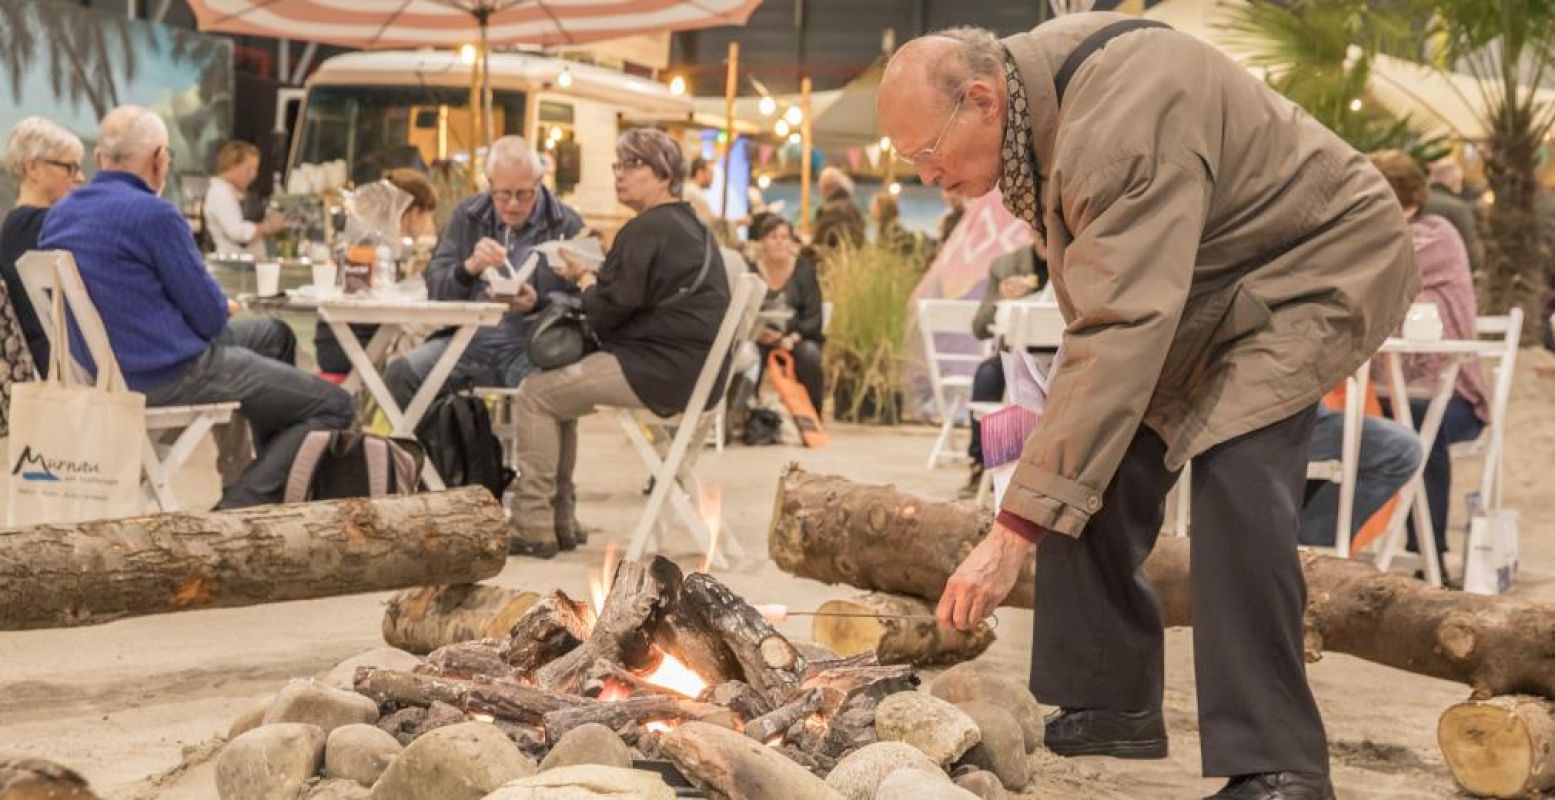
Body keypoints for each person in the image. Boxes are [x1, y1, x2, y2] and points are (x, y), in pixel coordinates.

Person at [878, 18, 1417, 799]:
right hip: (1212, 276)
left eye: (925, 155)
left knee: (1238, 480)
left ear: (983, 101)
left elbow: (1119, 330)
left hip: (1319, 260)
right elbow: (1108, 341)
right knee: (1084, 458)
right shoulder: (1047, 102)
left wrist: (1009, 533)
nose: (927, 177)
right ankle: (1110, 697)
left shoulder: (1117, 127)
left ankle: (1281, 764)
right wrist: (1037, 495)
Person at [39, 105, 353, 509]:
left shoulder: (60, 214)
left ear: (100, 159)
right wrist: (213, 307)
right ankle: (239, 509)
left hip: (103, 371)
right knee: (335, 405)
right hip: (169, 371)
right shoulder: (155, 215)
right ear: (158, 159)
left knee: (276, 335)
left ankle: (254, 468)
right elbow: (209, 319)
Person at [507, 128, 730, 559]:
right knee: (557, 392)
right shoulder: (687, 225)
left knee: (536, 394)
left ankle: (534, 523)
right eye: (618, 165)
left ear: (665, 174)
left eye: (633, 165)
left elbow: (605, 315)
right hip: (697, 374)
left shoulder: (647, 227)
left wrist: (584, 276)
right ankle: (561, 519)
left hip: (658, 371)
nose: (620, 175)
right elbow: (637, 294)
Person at [382, 136, 583, 411]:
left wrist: (539, 304)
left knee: (553, 396)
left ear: (539, 184)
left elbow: (585, 300)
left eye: (523, 194)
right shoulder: (467, 216)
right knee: (401, 376)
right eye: (503, 194)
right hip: (466, 342)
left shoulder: (566, 223)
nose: (512, 204)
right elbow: (436, 288)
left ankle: (513, 454)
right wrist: (468, 268)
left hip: (532, 348)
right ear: (489, 185)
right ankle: (452, 451)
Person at [1370, 150, 1491, 557]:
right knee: (1346, 424)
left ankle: (1428, 552)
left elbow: (1380, 271)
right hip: (1383, 390)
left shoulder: (1435, 235)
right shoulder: (1377, 238)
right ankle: (1326, 543)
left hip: (1454, 396)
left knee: (1420, 422)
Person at [314, 169, 439, 376]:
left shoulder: (366, 244)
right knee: (431, 360)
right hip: (352, 350)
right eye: (428, 216)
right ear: (413, 212)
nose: (428, 224)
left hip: (336, 345)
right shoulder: (375, 250)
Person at [964, 234, 1049, 495]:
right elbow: (980, 327)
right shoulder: (1006, 266)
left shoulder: (1077, 260)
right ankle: (986, 466)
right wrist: (1002, 299)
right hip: (1016, 354)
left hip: (1065, 358)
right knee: (988, 375)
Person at [1, 116, 84, 372]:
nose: (80, 178)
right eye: (69, 167)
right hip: (63, 369)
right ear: (33, 168)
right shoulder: (50, 227)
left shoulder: (12, 227)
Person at [1297, 406, 1421, 547]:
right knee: (1401, 448)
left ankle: (1309, 548)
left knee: (1403, 447)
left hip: (1311, 413)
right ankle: (1307, 551)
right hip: (1279, 422)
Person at [749, 215, 825, 413]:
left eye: (785, 237)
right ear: (763, 241)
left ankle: (812, 415)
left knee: (809, 354)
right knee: (747, 354)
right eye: (773, 237)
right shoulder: (751, 271)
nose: (780, 242)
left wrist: (790, 338)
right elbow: (744, 311)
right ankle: (744, 412)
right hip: (759, 337)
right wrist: (760, 333)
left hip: (795, 337)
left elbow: (813, 317)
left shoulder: (804, 271)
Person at [204, 140, 285, 258]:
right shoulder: (219, 193)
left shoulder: (234, 193)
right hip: (233, 269)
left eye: (255, 169)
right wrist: (269, 226)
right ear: (232, 166)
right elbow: (237, 232)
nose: (254, 175)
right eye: (249, 169)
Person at [1425, 158, 1483, 274]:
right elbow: (1472, 255)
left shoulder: (1415, 203)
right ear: (1452, 180)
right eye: (1460, 181)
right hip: (1449, 277)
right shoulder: (1458, 208)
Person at [811, 166, 865, 250]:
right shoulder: (853, 207)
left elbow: (818, 245)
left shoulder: (828, 211)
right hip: (853, 260)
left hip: (832, 260)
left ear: (825, 188)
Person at [683, 156, 718, 226]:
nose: (713, 177)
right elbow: (712, 222)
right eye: (710, 173)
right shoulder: (694, 192)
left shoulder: (688, 188)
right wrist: (739, 222)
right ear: (700, 172)